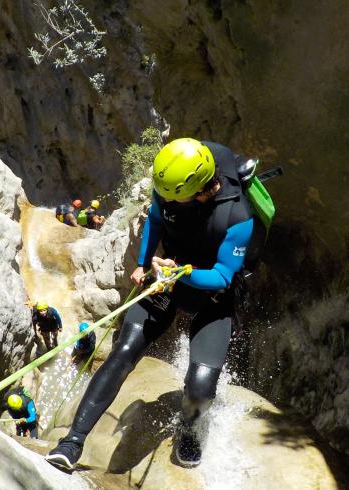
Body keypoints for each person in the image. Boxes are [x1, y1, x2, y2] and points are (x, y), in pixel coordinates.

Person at [45, 137, 269, 471]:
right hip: (169, 276)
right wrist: (143, 261)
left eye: (171, 196)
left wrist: (181, 273)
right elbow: (155, 218)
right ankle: (72, 442)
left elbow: (223, 276)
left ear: (197, 188)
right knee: (123, 351)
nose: (164, 198)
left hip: (211, 292)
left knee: (201, 383)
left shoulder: (238, 216)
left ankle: (190, 430)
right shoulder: (170, 185)